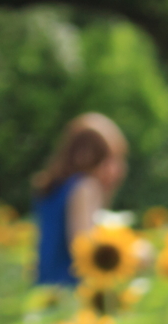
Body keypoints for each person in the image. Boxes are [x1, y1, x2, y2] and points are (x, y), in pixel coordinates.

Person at [33, 113, 129, 286]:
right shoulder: (85, 186)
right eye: (110, 157)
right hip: (69, 292)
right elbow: (83, 246)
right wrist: (131, 253)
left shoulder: (54, 187)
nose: (118, 168)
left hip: (44, 290)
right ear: (88, 155)